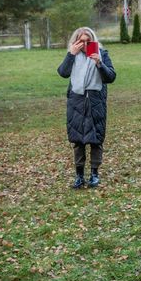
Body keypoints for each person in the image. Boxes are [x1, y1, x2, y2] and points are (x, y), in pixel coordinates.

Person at [57, 27, 116, 189]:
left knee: (96, 139)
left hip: (96, 102)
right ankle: (79, 176)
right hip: (76, 102)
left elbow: (111, 77)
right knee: (78, 141)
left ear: (93, 41)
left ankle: (94, 174)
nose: (84, 44)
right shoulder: (73, 55)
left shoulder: (102, 54)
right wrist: (71, 54)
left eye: (87, 41)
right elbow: (63, 73)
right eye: (81, 41)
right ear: (76, 41)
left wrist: (99, 63)